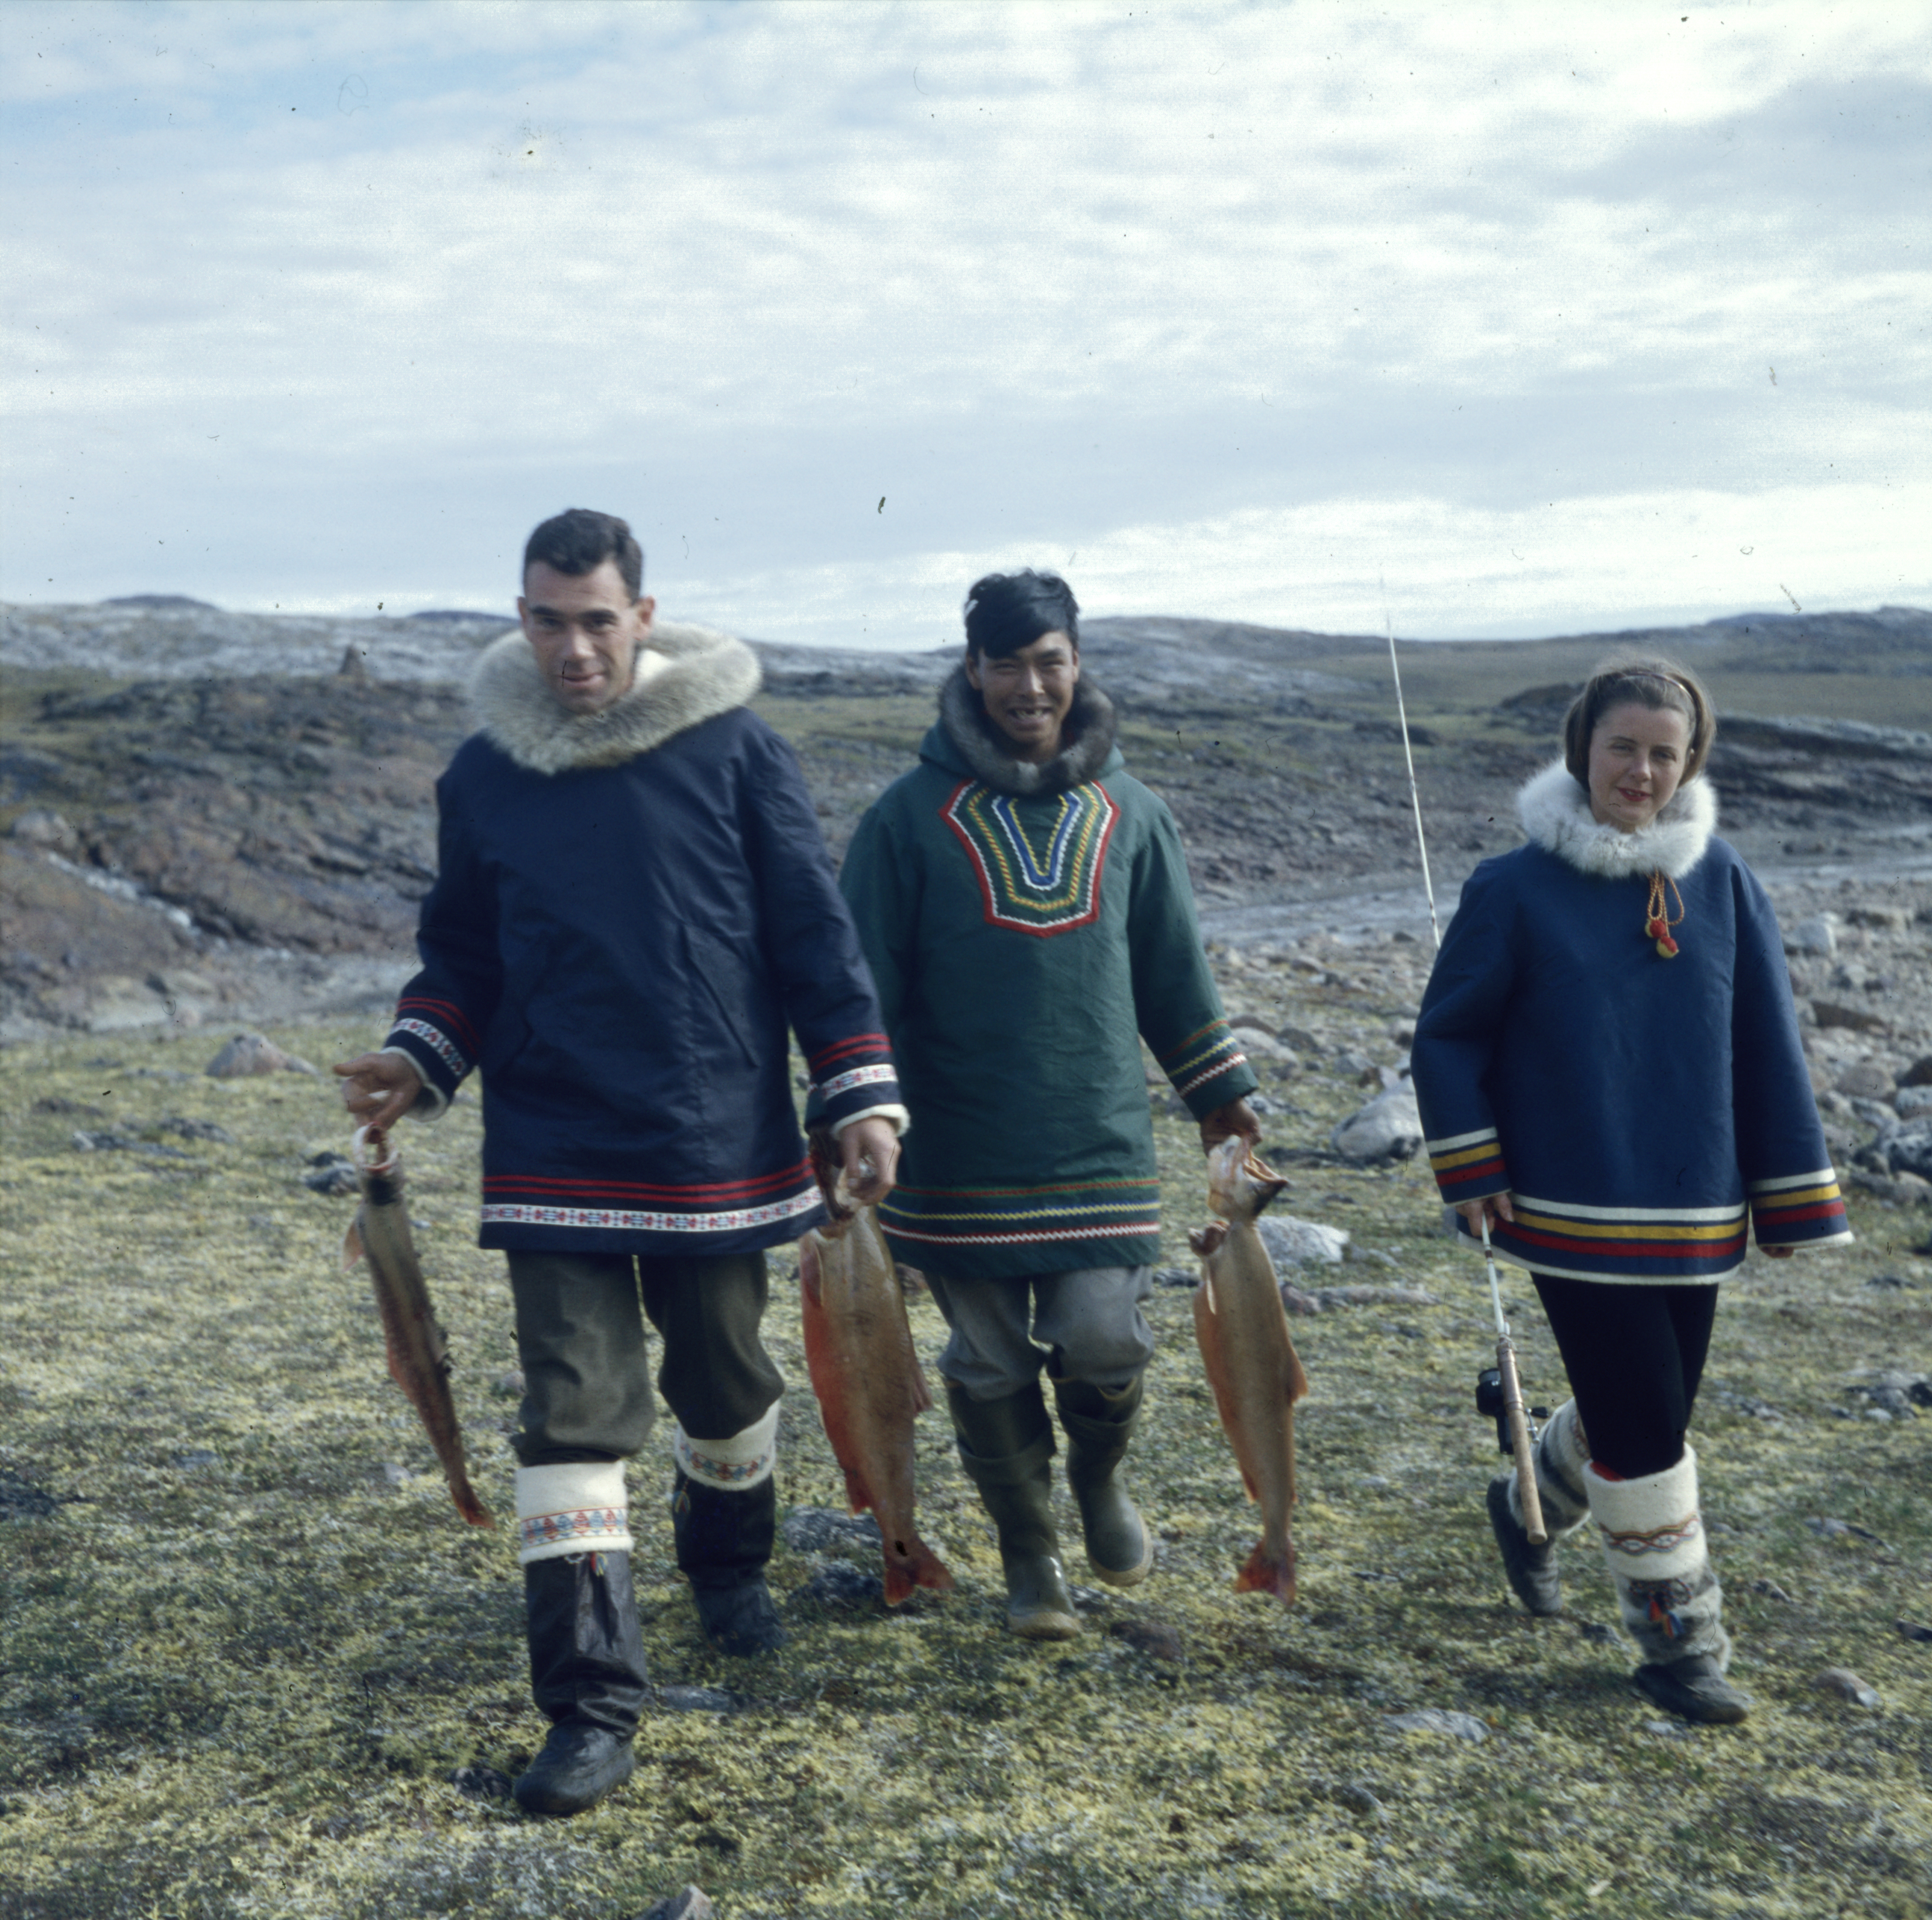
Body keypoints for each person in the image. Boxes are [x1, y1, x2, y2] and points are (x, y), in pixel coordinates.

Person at [334, 508, 904, 1815]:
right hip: (553, 1142)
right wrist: (419, 1059)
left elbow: (815, 940)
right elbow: (463, 955)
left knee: (725, 1381)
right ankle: (589, 1707)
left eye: (598, 620)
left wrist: (859, 1093)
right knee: (573, 1416)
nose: (574, 648)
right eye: (548, 619)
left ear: (643, 616)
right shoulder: (483, 774)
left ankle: (729, 1564)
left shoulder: (736, 748)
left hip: (715, 1135)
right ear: (519, 617)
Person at [1408, 656, 1848, 1725]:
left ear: (1688, 759)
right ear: (1581, 750)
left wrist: (1789, 1195)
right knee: (1648, 1428)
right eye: (1622, 748)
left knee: (1645, 1406)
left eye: (1664, 751)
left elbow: (1765, 1040)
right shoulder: (1510, 888)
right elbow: (1448, 1035)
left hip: (1697, 1203)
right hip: (1566, 1205)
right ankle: (1677, 1642)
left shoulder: (1725, 879)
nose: (1641, 771)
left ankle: (1532, 1497)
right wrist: (1472, 1166)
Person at [836, 569, 1260, 1640]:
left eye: (1051, 662)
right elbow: (859, 989)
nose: (1030, 686)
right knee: (984, 1364)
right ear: (972, 670)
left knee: (1106, 1338)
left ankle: (1097, 1484)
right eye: (1007, 664)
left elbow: (1172, 972)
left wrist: (1219, 1095)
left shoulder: (1134, 812)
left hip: (1098, 1139)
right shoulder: (906, 818)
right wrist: (848, 1108)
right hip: (955, 1148)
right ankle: (1029, 1555)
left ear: (1077, 666)